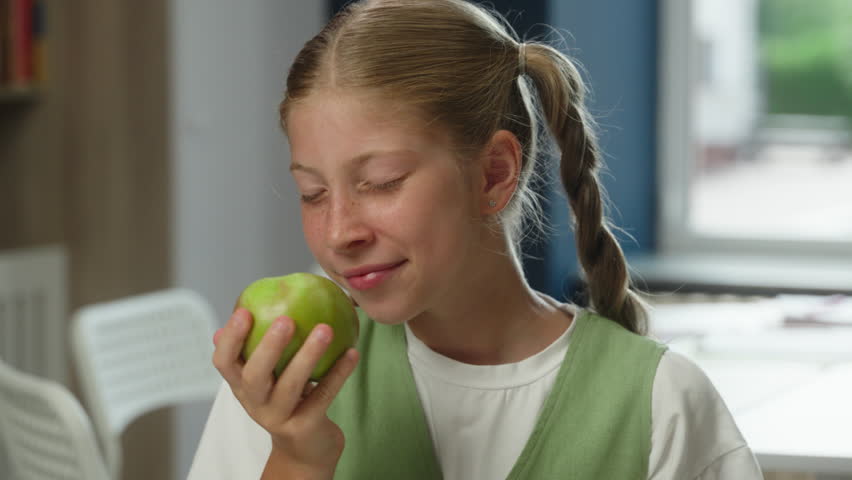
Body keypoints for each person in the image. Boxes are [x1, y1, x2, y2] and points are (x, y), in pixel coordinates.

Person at [187, 1, 763, 478]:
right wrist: (295, 459)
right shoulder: (285, 385)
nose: (339, 233)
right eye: (313, 193)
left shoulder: (664, 404)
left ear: (492, 173)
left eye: (382, 183)